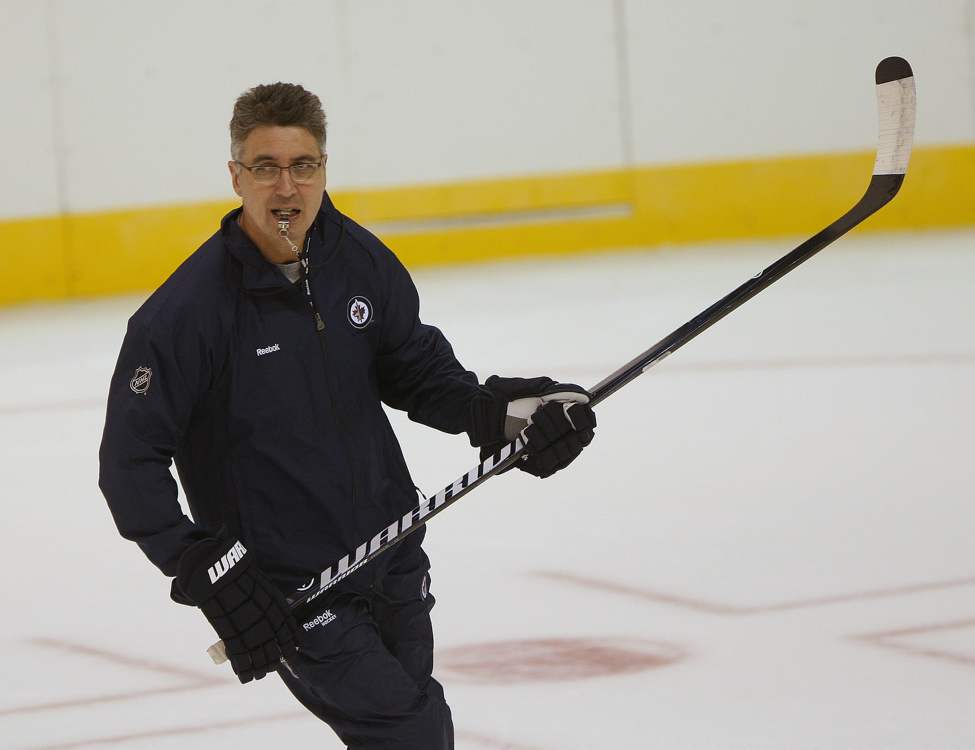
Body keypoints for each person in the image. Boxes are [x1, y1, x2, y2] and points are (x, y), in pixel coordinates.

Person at [98, 82, 597, 749]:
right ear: (235, 176)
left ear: (323, 169)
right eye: (265, 167)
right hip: (297, 590)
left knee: (411, 719)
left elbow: (418, 372)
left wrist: (506, 415)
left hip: (392, 552)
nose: (285, 187)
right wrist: (198, 562)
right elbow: (129, 462)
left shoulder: (358, 262)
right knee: (410, 733)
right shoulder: (186, 314)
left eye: (302, 166)